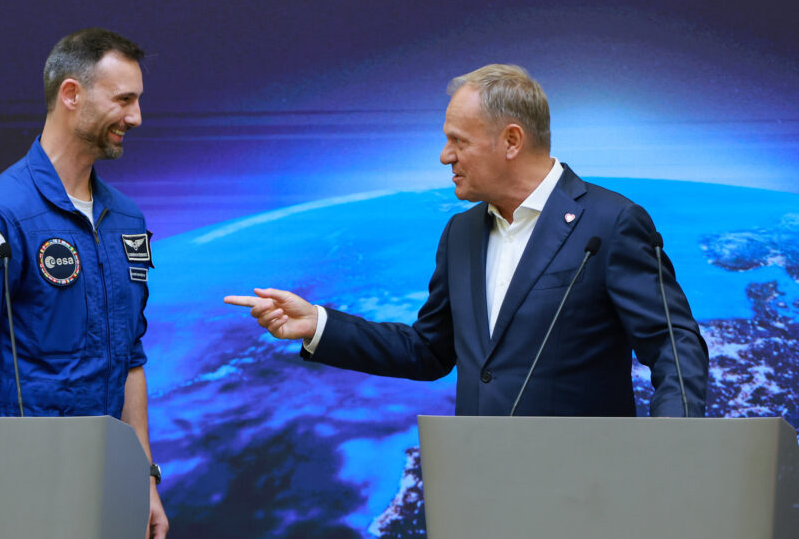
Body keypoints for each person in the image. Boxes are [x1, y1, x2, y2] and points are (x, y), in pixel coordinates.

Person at [225, 64, 708, 417]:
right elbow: (429, 352)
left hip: (590, 491)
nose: (443, 156)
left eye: (458, 141)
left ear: (512, 141)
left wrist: (663, 455)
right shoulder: (461, 233)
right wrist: (318, 324)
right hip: (479, 489)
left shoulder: (612, 221)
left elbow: (672, 344)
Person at [0, 28, 167, 539]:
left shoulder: (127, 219)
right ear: (72, 94)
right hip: (13, 492)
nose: (137, 117)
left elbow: (130, 359)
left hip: (102, 492)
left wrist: (143, 479)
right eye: (124, 100)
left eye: (138, 100)